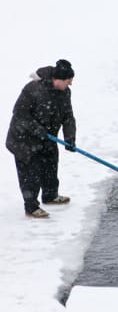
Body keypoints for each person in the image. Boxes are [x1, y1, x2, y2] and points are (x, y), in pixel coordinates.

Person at [6, 59, 77, 218]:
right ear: (58, 80)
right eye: (68, 80)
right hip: (24, 140)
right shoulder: (33, 89)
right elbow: (20, 114)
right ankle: (31, 207)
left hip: (47, 137)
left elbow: (68, 117)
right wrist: (38, 130)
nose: (70, 84)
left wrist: (70, 138)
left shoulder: (64, 92)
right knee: (31, 173)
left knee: (51, 163)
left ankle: (50, 195)